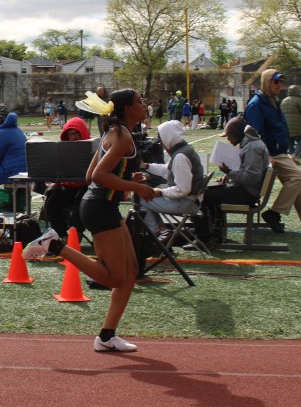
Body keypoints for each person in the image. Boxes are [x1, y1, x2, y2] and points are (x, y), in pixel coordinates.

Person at [23, 89, 154, 353]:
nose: (144, 105)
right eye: (139, 102)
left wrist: (129, 179)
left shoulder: (114, 132)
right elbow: (98, 176)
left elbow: (90, 173)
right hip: (100, 207)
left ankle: (106, 336)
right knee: (115, 278)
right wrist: (136, 187)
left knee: (130, 273)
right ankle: (54, 245)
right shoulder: (122, 135)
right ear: (128, 109)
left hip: (103, 205)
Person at [242, 69, 301, 234]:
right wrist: (268, 154)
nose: (280, 85)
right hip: (270, 153)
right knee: (297, 176)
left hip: (278, 151)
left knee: (296, 180)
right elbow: (254, 133)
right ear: (266, 82)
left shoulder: (273, 100)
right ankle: (274, 212)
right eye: (276, 81)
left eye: (281, 81)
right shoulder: (256, 104)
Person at [199, 117, 269, 246]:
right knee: (210, 192)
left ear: (235, 134)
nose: (228, 140)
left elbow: (251, 177)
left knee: (204, 195)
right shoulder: (249, 144)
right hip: (245, 189)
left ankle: (208, 237)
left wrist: (229, 172)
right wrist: (229, 178)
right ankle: (216, 233)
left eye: (228, 136)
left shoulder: (252, 147)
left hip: (247, 193)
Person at [138, 120, 205, 244]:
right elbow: (166, 171)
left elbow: (182, 190)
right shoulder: (184, 150)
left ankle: (157, 235)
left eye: (162, 142)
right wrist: (146, 166)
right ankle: (162, 231)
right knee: (146, 197)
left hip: (186, 203)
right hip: (190, 201)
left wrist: (161, 192)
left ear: (168, 139)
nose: (162, 145)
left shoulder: (180, 157)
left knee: (140, 199)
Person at [39, 116, 91, 237]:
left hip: (86, 186)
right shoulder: (62, 150)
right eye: (71, 134)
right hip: (67, 186)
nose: (74, 137)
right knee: (52, 202)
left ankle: (76, 233)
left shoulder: (93, 147)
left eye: (77, 133)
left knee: (82, 200)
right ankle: (61, 235)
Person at [280, 85, 301, 163]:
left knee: (290, 141)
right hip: (298, 124)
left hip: (286, 124)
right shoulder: (298, 100)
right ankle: (295, 155)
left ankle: (290, 156)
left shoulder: (284, 100)